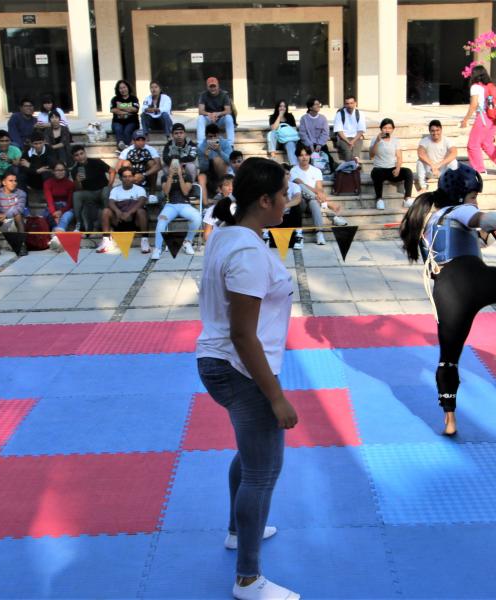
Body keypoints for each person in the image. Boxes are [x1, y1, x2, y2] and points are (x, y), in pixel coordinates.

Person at [195, 157, 299, 600]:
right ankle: (248, 580)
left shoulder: (228, 234)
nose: (288, 201)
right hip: (239, 368)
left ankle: (238, 531)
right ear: (264, 200)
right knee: (264, 470)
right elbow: (242, 334)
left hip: (220, 362)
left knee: (251, 456)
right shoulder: (248, 253)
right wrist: (275, 397)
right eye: (284, 194)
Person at [399, 164, 496, 436]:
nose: (476, 203)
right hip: (472, 281)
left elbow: (486, 237)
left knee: (448, 359)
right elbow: (486, 220)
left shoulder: (436, 222)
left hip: (446, 294)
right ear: (460, 196)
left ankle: (449, 420)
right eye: (473, 197)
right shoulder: (460, 211)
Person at [291, 144, 347, 245]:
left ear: (310, 156)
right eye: (301, 155)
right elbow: (301, 184)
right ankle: (329, 207)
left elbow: (319, 188)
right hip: (300, 203)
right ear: (297, 157)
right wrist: (320, 196)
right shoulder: (293, 170)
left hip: (314, 202)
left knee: (313, 202)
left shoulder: (316, 170)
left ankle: (319, 233)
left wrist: (320, 193)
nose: (304, 157)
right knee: (301, 186)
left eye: (306, 155)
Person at [460, 65, 496, 174]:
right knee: (486, 143)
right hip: (494, 118)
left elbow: (474, 105)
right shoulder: (491, 86)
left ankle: (479, 169)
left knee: (473, 144)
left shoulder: (475, 87)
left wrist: (465, 119)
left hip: (483, 117)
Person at [155, 159, 202, 260]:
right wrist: (170, 176)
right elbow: (166, 191)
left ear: (181, 166)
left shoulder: (187, 176)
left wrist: (180, 175)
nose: (175, 167)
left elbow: (185, 192)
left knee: (197, 217)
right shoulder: (165, 177)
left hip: (185, 205)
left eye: (177, 165)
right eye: (173, 165)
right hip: (170, 205)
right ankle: (157, 248)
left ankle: (187, 242)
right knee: (161, 220)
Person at [98, 166, 149, 255]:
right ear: (121, 178)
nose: (127, 179)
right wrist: (118, 212)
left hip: (134, 220)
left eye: (130, 176)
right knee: (106, 211)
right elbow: (111, 202)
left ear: (133, 177)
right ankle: (106, 241)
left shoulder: (140, 189)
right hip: (119, 219)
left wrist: (129, 213)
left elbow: (141, 202)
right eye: (125, 176)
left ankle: (144, 241)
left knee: (141, 211)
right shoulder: (115, 190)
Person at [69, 144, 115, 234]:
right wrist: (78, 181)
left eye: (81, 153)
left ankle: (107, 220)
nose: (80, 157)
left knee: (106, 191)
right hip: (89, 193)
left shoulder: (96, 162)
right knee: (76, 195)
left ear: (85, 153)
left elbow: (112, 171)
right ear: (74, 158)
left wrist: (110, 185)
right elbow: (79, 189)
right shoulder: (74, 170)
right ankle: (79, 223)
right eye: (77, 155)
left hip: (102, 190)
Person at [370, 118, 414, 210]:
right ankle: (379, 199)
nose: (387, 130)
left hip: (392, 169)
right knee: (377, 173)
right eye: (385, 128)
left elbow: (399, 157)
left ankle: (407, 199)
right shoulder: (375, 139)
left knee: (408, 172)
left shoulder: (395, 140)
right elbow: (371, 155)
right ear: (381, 129)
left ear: (393, 129)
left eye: (389, 128)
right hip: (379, 168)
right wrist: (377, 141)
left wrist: (398, 168)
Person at [0, 170, 28, 258]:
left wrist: (5, 215)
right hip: (1, 220)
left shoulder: (21, 193)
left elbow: (20, 209)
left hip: (15, 220)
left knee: (18, 215)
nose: (14, 183)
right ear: (4, 182)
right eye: (11, 181)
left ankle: (22, 245)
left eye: (15, 181)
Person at [415, 119, 459, 193]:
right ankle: (423, 187)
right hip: (430, 170)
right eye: (432, 131)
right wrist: (432, 165)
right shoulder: (425, 140)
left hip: (443, 170)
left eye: (437, 130)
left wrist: (439, 165)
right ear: (429, 131)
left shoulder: (447, 140)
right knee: (419, 162)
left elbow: (454, 152)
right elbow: (420, 153)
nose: (435, 133)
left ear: (441, 130)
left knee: (454, 162)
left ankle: (452, 186)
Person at [118, 131, 162, 198]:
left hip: (147, 175)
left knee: (152, 163)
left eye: (142, 140)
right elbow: (118, 167)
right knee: (125, 163)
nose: (141, 142)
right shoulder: (127, 150)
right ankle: (129, 192)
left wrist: (143, 175)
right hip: (132, 176)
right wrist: (131, 176)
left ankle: (152, 194)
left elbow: (159, 166)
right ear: (133, 141)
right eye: (138, 140)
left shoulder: (151, 149)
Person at [44, 163, 77, 251]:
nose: (60, 172)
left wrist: (61, 211)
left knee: (65, 217)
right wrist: (54, 213)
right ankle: (58, 238)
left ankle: (56, 237)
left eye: (62, 170)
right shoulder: (48, 183)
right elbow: (49, 201)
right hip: (52, 208)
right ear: (53, 171)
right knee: (49, 216)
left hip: (66, 208)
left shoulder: (70, 184)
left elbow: (70, 203)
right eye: (58, 170)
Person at [198, 124, 234, 196]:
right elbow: (202, 168)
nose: (213, 139)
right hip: (210, 172)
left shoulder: (225, 143)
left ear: (218, 135)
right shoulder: (201, 147)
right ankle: (218, 189)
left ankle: (221, 187)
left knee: (218, 160)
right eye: (210, 136)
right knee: (202, 176)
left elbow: (230, 161)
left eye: (215, 136)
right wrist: (205, 157)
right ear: (206, 136)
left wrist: (219, 151)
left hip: (224, 170)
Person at [197, 77, 235, 143]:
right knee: (200, 118)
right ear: (207, 87)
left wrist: (217, 114)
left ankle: (230, 143)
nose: (213, 88)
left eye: (214, 86)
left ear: (218, 86)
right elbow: (200, 111)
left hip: (220, 119)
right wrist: (209, 114)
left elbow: (228, 111)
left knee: (229, 117)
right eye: (210, 86)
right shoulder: (203, 95)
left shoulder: (224, 95)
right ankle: (200, 143)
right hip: (209, 119)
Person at [332, 96, 366, 162]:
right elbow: (339, 131)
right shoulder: (339, 114)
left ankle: (353, 165)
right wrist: (348, 142)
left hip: (356, 138)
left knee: (355, 156)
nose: (349, 105)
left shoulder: (360, 114)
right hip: (343, 139)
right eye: (347, 103)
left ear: (355, 103)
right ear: (344, 104)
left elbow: (361, 130)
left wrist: (352, 141)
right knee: (348, 154)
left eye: (351, 103)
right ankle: (353, 166)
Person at [110, 80, 141, 151]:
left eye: (124, 87)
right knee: (118, 129)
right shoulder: (115, 99)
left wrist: (120, 106)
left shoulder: (133, 98)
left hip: (132, 122)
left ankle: (125, 148)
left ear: (128, 88)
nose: (123, 90)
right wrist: (127, 111)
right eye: (120, 88)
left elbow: (135, 109)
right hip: (118, 121)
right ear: (118, 90)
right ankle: (121, 145)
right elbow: (113, 110)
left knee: (127, 131)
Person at [266, 100, 298, 165]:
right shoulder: (273, 117)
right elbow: (273, 128)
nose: (282, 108)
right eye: (280, 106)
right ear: (277, 107)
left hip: (287, 140)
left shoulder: (290, 116)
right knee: (271, 133)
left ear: (286, 108)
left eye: (284, 106)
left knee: (290, 143)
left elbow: (294, 130)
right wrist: (280, 116)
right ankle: (273, 156)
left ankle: (294, 165)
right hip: (277, 142)